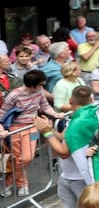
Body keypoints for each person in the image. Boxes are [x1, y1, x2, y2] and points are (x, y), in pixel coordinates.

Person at [34, 86, 96, 208]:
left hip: (81, 178)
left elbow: (64, 152)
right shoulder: (84, 115)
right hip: (67, 176)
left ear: (70, 101)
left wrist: (46, 133)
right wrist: (49, 129)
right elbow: (63, 137)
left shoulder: (79, 122)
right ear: (91, 100)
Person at [0, 69, 61, 197]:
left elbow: (45, 106)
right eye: (41, 84)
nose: (43, 86)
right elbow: (2, 113)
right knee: (19, 159)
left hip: (32, 127)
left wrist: (55, 114)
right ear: (33, 85)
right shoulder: (14, 95)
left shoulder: (39, 92)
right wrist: (1, 129)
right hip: (15, 129)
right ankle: (23, 184)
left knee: (27, 157)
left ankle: (8, 182)